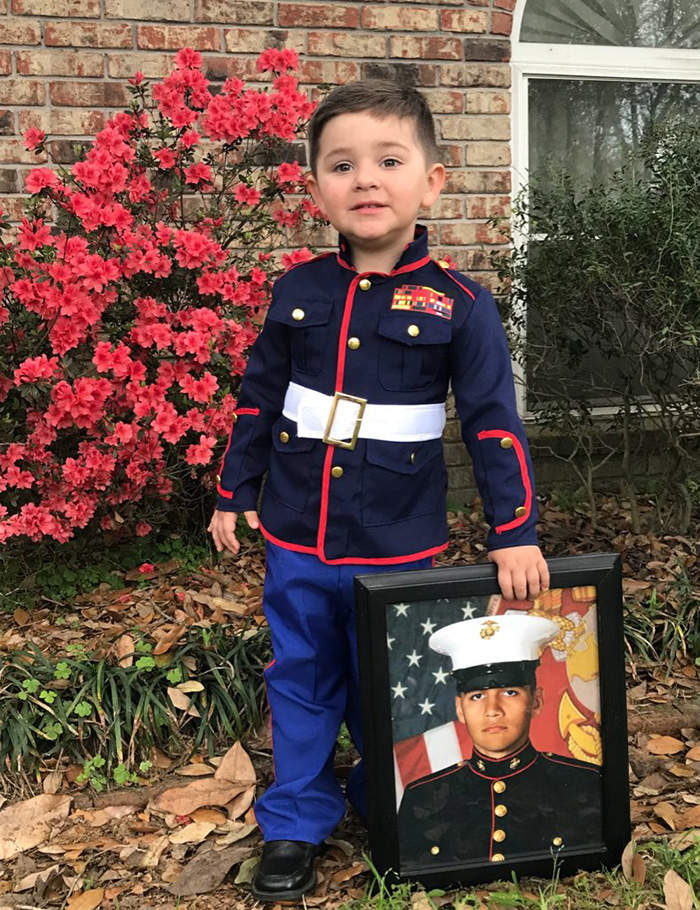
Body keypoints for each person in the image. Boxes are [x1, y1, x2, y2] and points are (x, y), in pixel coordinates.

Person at [207, 79, 550, 902]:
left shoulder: (463, 306)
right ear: (315, 187)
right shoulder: (297, 292)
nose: (365, 179)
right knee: (301, 676)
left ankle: (391, 798)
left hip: (400, 543)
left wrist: (516, 529)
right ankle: (294, 821)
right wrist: (233, 490)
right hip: (296, 531)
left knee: (393, 684)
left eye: (389, 160)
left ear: (432, 179)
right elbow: (259, 396)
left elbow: (493, 422)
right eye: (342, 164)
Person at [397, 615, 603, 873]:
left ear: (536, 701)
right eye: (477, 696)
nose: (492, 710)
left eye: (509, 693)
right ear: (460, 709)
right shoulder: (424, 797)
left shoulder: (584, 783)